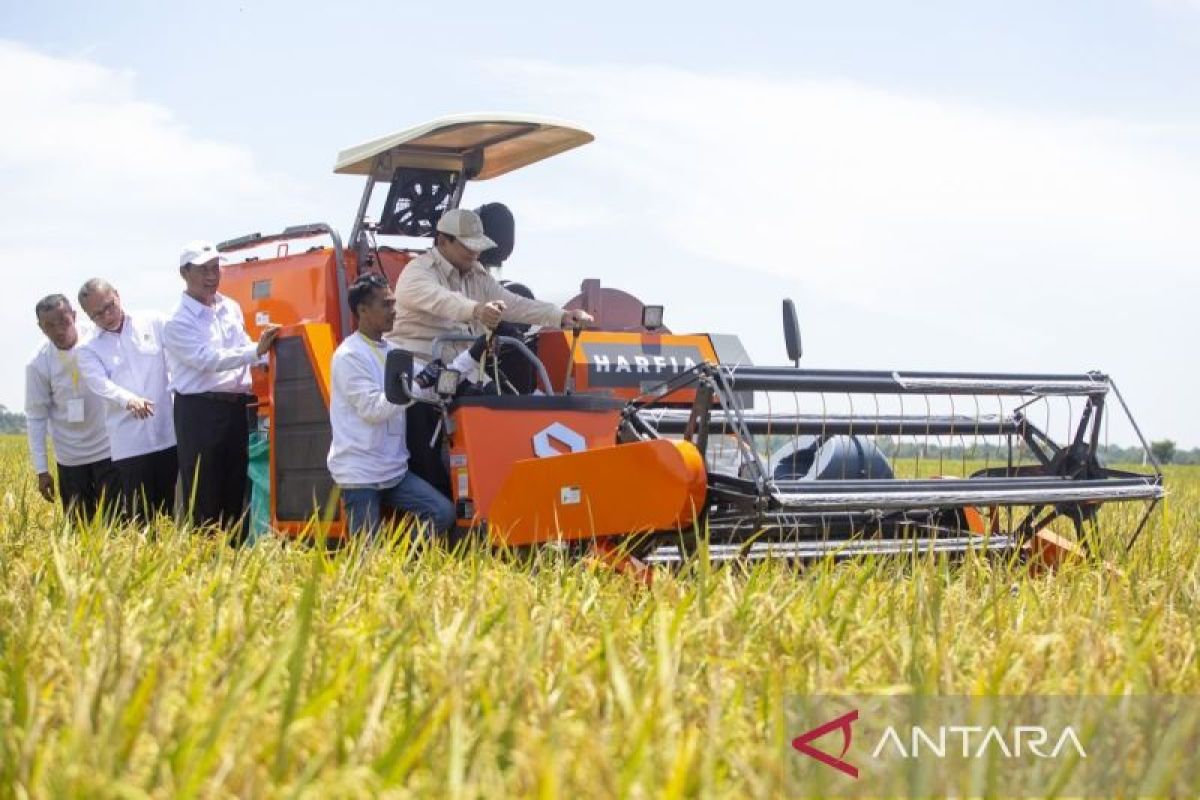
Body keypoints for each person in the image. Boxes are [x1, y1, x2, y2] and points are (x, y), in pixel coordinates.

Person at [163, 241, 280, 532]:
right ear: (184, 273)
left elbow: (243, 346)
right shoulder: (177, 321)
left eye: (215, 268)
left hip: (236, 408)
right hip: (200, 411)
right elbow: (207, 360)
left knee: (234, 485)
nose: (212, 276)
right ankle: (204, 554)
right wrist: (256, 351)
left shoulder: (230, 307)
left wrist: (270, 355)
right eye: (203, 269)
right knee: (205, 491)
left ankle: (233, 553)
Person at [328, 273, 455, 538]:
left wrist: (474, 354)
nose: (394, 310)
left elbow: (431, 385)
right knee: (367, 556)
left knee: (442, 513)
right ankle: (384, 563)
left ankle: (402, 559)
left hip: (394, 472)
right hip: (360, 476)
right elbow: (374, 410)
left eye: (393, 303)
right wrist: (418, 382)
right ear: (362, 310)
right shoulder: (349, 356)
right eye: (386, 304)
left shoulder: (392, 351)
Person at [385, 207, 593, 363]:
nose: (475, 252)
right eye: (468, 246)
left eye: (478, 246)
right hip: (417, 369)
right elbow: (442, 300)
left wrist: (562, 316)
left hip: (461, 370)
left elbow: (514, 304)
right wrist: (476, 310)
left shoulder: (477, 275)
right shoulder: (417, 273)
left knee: (510, 400)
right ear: (442, 241)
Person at [76, 279, 177, 521]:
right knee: (140, 517)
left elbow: (179, 354)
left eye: (109, 306)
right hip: (130, 445)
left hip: (169, 435)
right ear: (88, 316)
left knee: (174, 512)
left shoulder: (153, 322)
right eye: (97, 314)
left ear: (117, 295)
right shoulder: (87, 348)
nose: (107, 316)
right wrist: (129, 400)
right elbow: (101, 384)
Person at [24, 294, 117, 519]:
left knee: (118, 524)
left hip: (110, 450)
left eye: (63, 321)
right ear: (40, 327)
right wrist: (41, 470)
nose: (59, 330)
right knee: (79, 526)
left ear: (74, 316)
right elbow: (36, 416)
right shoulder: (38, 363)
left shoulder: (99, 339)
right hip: (71, 459)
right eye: (49, 325)